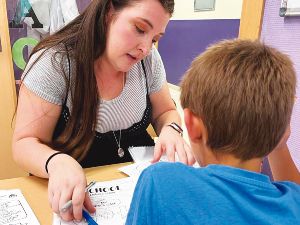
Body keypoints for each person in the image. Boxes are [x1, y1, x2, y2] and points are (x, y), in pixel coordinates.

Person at [12, 0, 195, 221]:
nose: (146, 48)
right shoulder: (54, 63)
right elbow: (24, 142)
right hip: (74, 201)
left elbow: (165, 111)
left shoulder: (149, 61)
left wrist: (172, 129)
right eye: (139, 29)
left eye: (155, 39)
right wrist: (57, 162)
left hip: (137, 192)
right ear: (108, 11)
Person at [126, 39, 300, 225]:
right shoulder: (292, 203)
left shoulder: (160, 181)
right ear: (280, 132)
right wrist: (278, 144)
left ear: (191, 125)